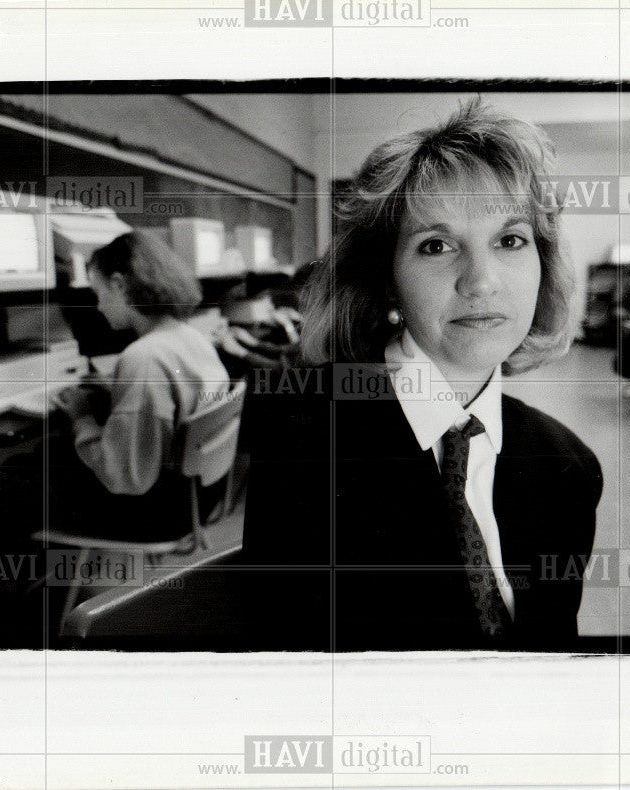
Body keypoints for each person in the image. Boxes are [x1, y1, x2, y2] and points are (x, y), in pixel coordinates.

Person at [240, 99, 603, 651]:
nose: (481, 282)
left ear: (543, 263)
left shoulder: (569, 466)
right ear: (387, 281)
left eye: (510, 240)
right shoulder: (304, 436)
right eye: (436, 245)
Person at [0, 229, 230, 552]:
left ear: (119, 285)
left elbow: (124, 477)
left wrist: (81, 416)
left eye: (99, 292)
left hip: (156, 515)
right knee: (47, 455)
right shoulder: (190, 337)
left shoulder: (143, 357)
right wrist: (118, 391)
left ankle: (13, 585)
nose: (100, 306)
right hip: (196, 497)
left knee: (17, 470)